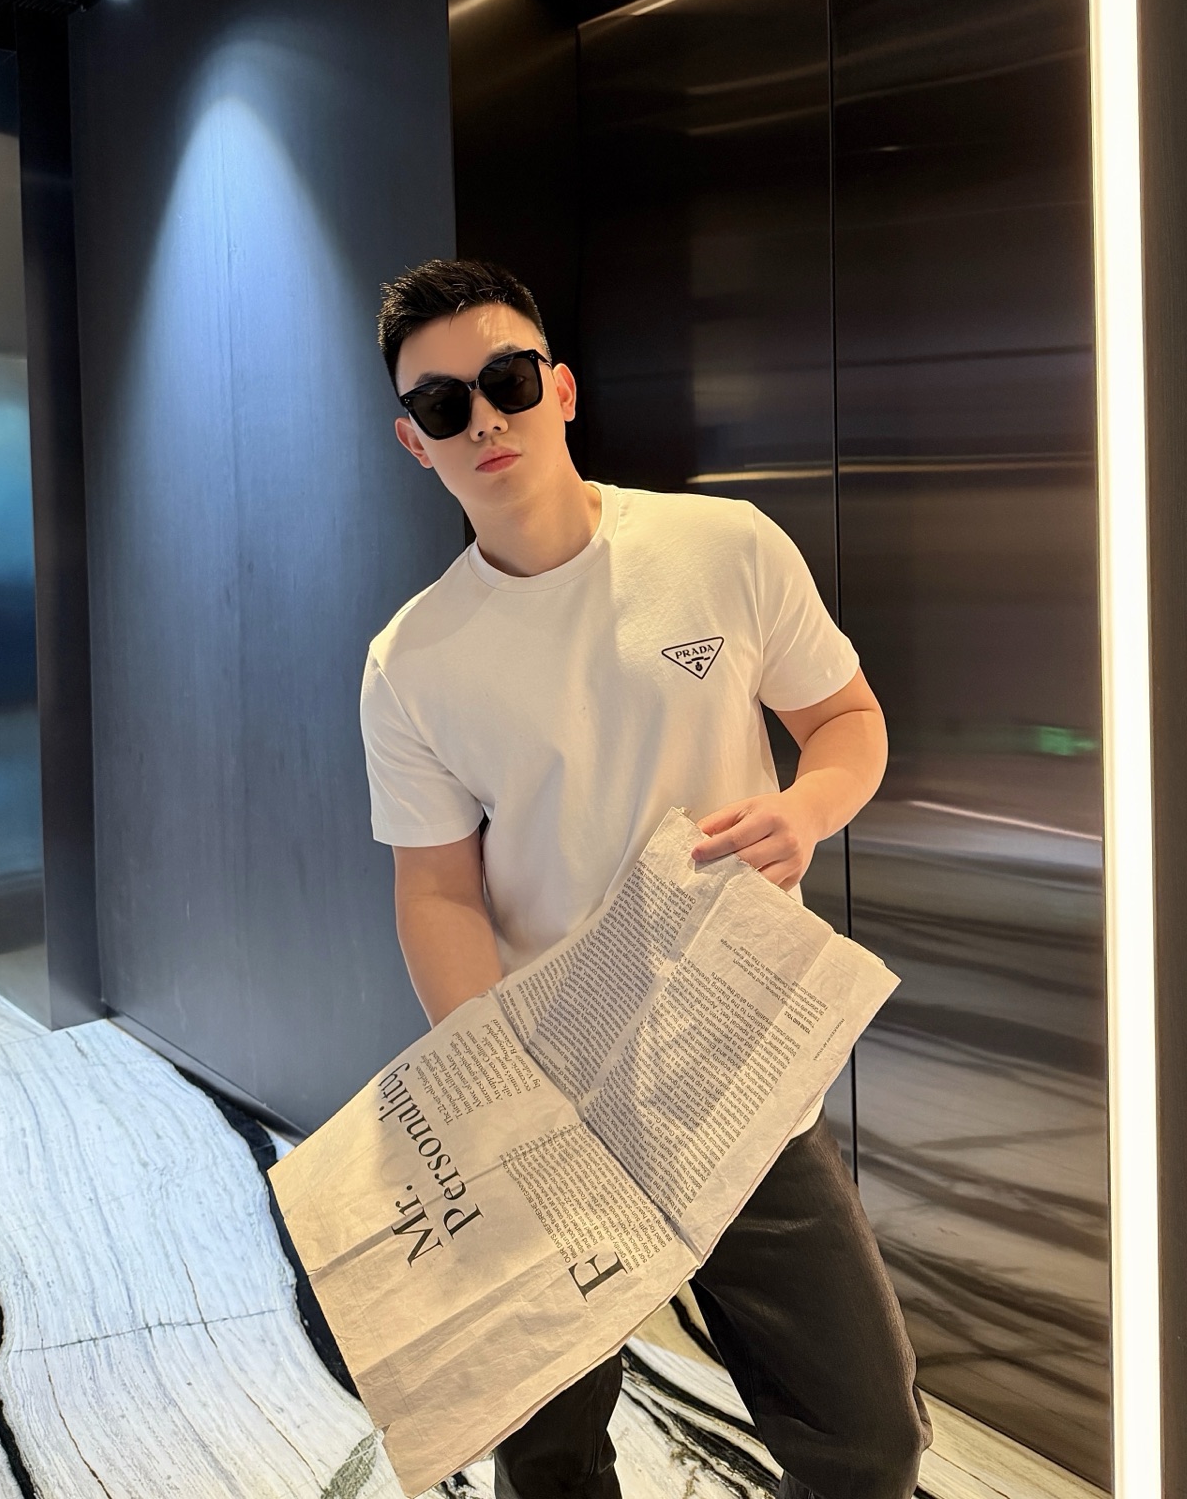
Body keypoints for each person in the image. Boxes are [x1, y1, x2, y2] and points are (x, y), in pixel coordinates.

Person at [360, 257, 931, 1499]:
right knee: (552, 1464)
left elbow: (847, 721)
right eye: (445, 405)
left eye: (507, 381)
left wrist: (805, 810)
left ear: (561, 388)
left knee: (868, 1441)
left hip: (734, 1077)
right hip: (550, 1096)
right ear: (416, 442)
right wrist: (498, 1090)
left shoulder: (722, 547)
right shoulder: (412, 661)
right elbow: (437, 892)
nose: (485, 418)